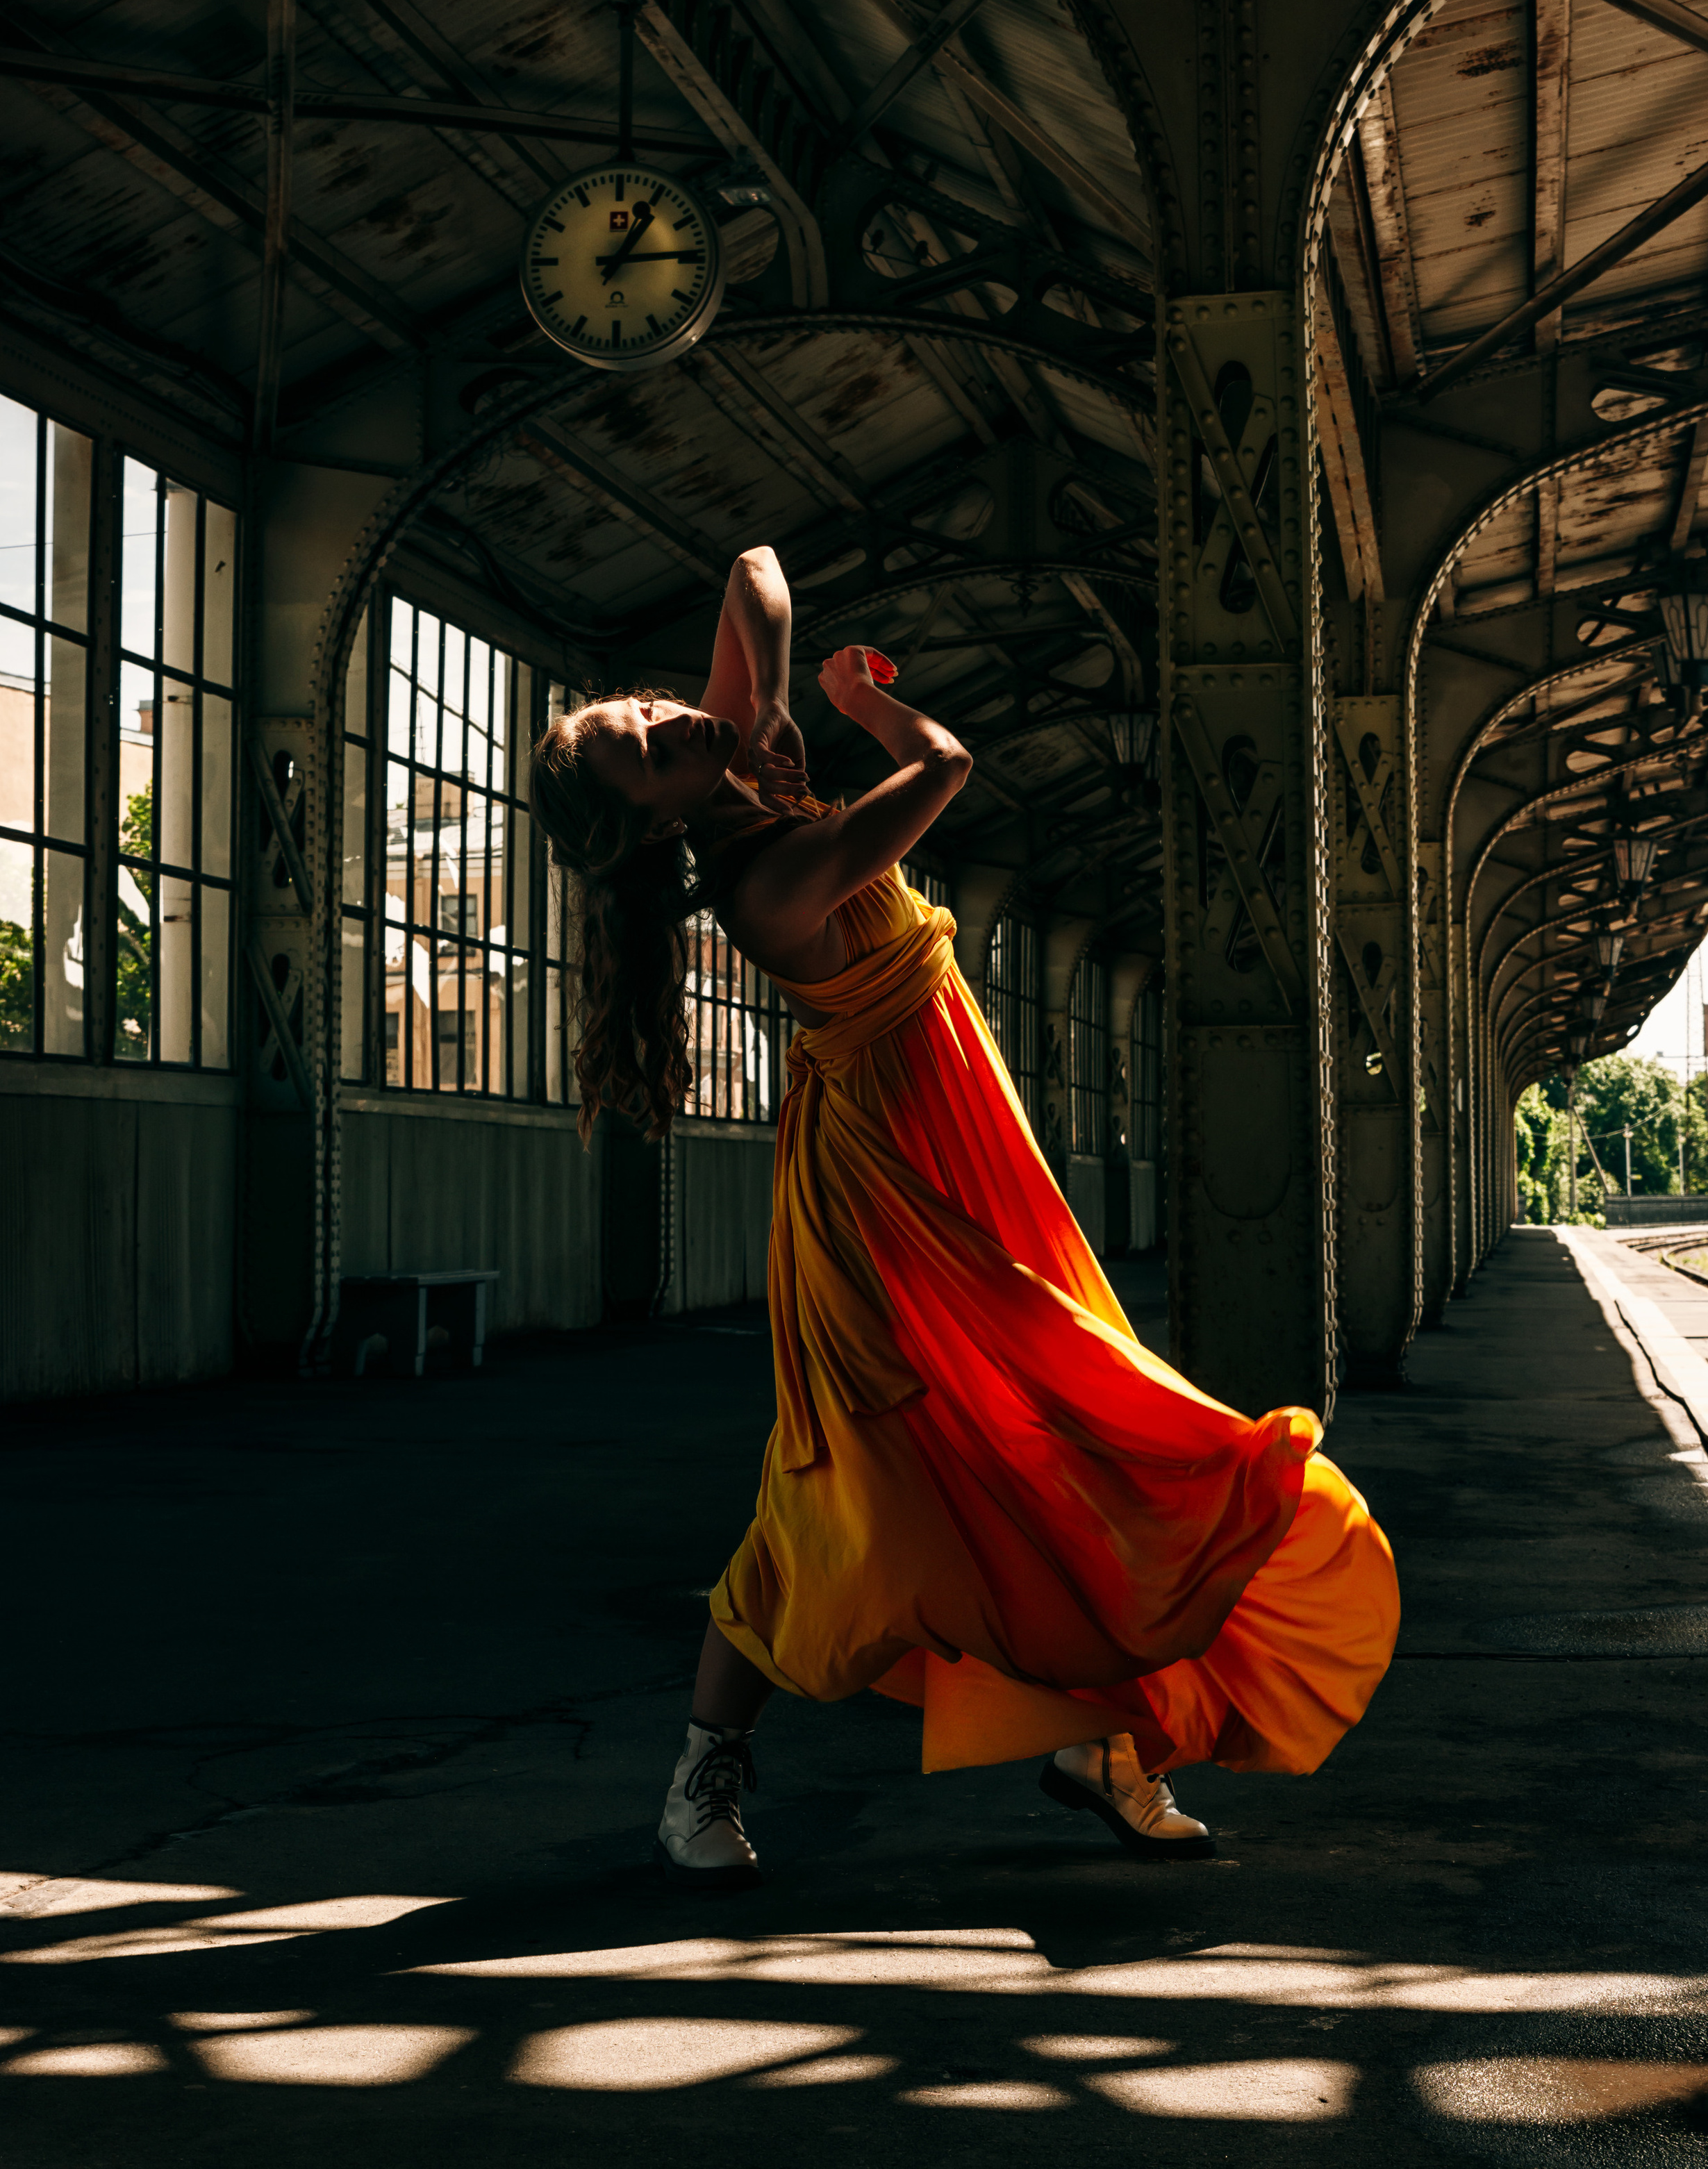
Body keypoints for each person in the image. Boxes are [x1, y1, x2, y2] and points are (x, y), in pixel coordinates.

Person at [531, 546, 1399, 1888]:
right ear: (659, 824)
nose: (666, 722)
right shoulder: (769, 881)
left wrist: (762, 698)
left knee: (1045, 1427)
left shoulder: (741, 770)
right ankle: (704, 1778)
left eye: (644, 712)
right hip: (884, 1189)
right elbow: (942, 770)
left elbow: (757, 571)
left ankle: (1102, 1743)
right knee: (852, 1488)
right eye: (649, 751)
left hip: (951, 1131)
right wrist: (861, 706)